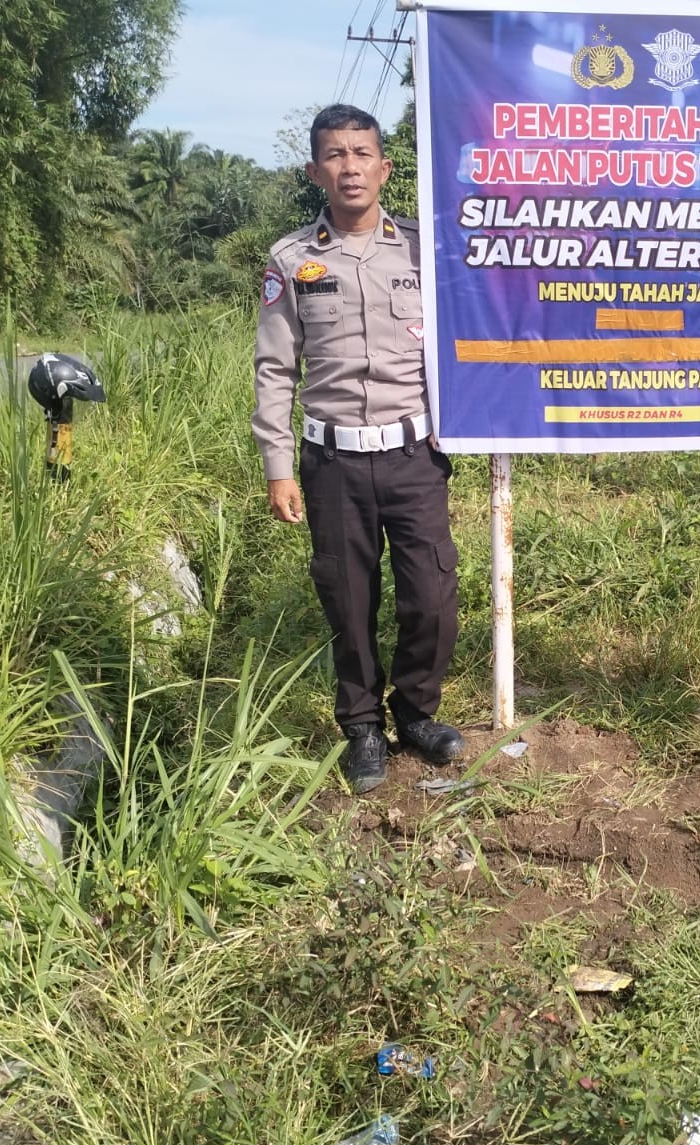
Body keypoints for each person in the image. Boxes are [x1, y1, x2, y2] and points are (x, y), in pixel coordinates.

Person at [253, 104, 464, 793]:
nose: (350, 167)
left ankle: (416, 713)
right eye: (335, 155)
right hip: (332, 461)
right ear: (315, 170)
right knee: (347, 598)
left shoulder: (423, 250)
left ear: (384, 166)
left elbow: (465, 341)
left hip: (414, 455)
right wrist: (278, 466)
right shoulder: (293, 259)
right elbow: (275, 368)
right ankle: (363, 726)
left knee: (431, 595)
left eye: (362, 153)